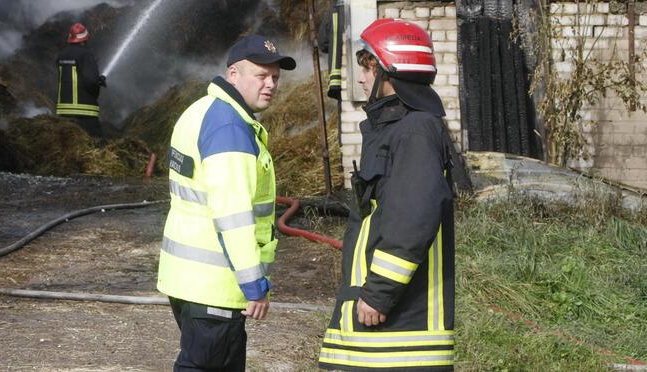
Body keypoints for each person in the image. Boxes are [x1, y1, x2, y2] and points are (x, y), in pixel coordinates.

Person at [319, 19, 456, 371]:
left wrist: (379, 291)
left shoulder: (415, 132)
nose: (362, 78)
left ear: (390, 73)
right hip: (381, 327)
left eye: (367, 68)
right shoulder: (397, 129)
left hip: (398, 331)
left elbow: (412, 216)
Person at [157, 34, 296, 371]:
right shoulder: (230, 128)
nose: (271, 85)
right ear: (233, 74)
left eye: (275, 77)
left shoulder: (201, 110)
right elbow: (232, 216)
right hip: (216, 284)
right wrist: (254, 286)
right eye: (260, 76)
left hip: (187, 279)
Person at [55, 22, 106, 137]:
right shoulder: (85, 55)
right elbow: (90, 81)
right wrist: (98, 82)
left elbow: (72, 77)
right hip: (84, 111)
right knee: (98, 142)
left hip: (64, 111)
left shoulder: (62, 55)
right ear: (85, 39)